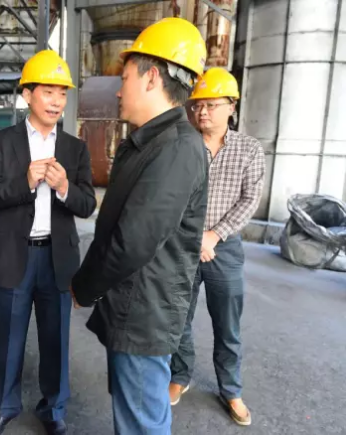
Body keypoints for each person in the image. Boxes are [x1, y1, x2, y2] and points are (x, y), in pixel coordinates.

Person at [71, 17, 209, 435]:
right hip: (131, 303)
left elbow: (133, 241)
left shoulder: (178, 148)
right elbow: (112, 226)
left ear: (152, 78)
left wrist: (84, 286)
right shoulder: (147, 143)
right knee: (135, 414)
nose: (118, 89)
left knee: (141, 423)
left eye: (125, 78)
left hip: (144, 312)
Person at [0, 49, 96, 435]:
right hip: (13, 255)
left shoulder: (75, 148)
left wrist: (64, 187)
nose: (57, 101)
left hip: (57, 259)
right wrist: (25, 182)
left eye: (62, 93)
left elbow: (87, 204)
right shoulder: (1, 142)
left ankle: (53, 408)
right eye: (48, 91)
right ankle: (3, 406)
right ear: (27, 94)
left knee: (56, 340)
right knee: (9, 339)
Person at [169, 67, 265, 426]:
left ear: (231, 107)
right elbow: (170, 195)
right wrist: (195, 237)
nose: (202, 112)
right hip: (184, 244)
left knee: (228, 324)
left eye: (211, 105)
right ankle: (180, 375)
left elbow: (250, 199)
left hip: (224, 248)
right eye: (197, 105)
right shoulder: (182, 145)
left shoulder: (249, 149)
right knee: (179, 316)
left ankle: (231, 389)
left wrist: (214, 235)